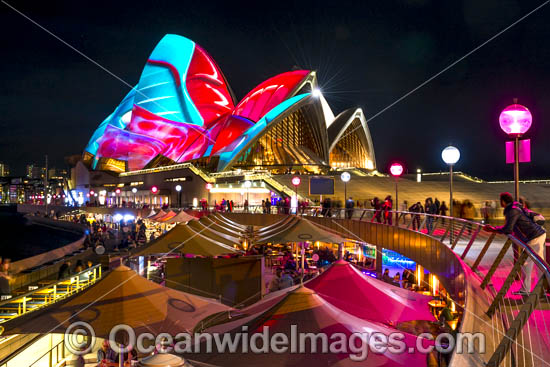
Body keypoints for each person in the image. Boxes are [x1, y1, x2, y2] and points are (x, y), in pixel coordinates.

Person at [484, 192, 546, 295]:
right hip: (535, 235)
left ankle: (536, 290)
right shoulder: (515, 208)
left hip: (534, 236)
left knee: (532, 263)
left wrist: (493, 229)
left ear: (503, 201)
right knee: (535, 263)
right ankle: (534, 289)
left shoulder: (512, 210)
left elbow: (508, 228)